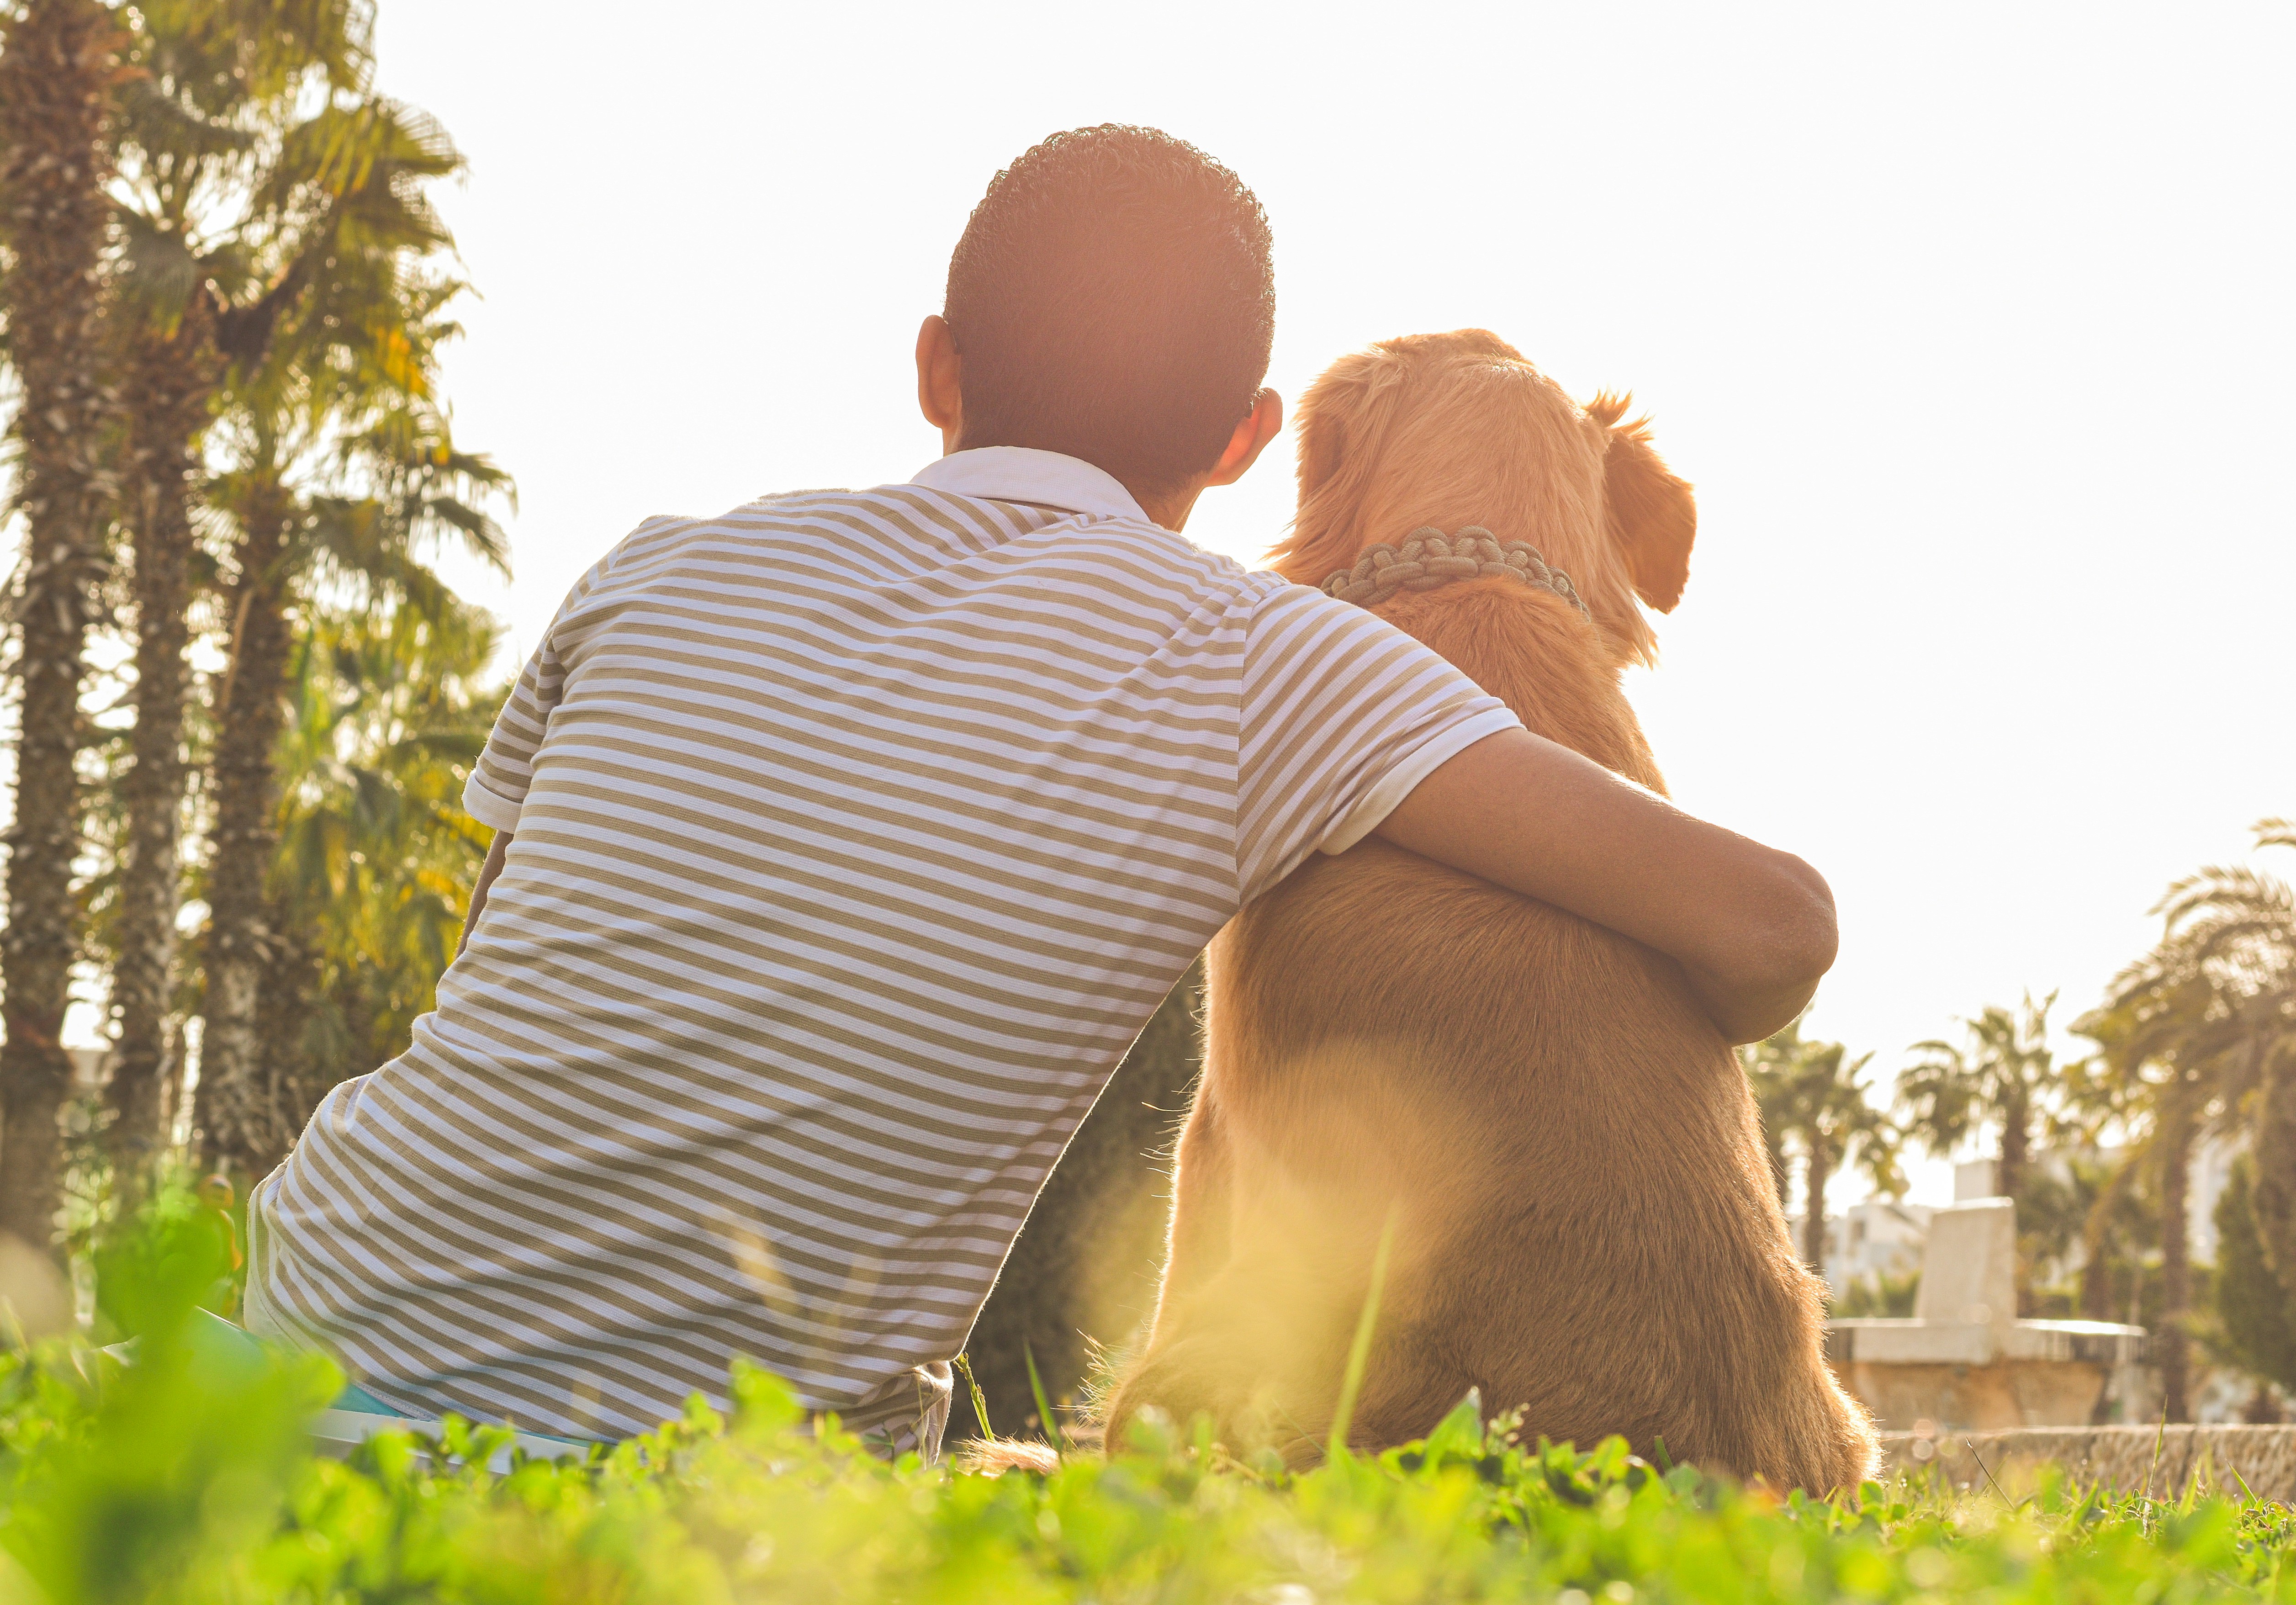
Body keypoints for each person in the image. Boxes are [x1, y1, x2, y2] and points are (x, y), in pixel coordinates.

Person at [242, 124, 1836, 1459]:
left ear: (936, 365)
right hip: (707, 1495)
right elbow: (1774, 925)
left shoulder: (651, 570)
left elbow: (491, 969)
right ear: (1240, 440)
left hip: (271, 1372)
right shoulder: (1271, 664)